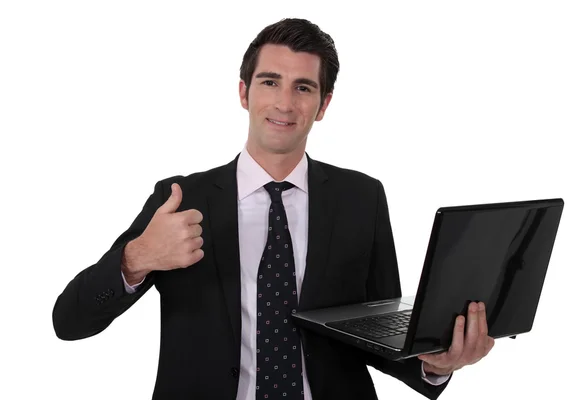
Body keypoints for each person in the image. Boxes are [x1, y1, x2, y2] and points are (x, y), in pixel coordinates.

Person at [52, 18, 494, 400]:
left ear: (323, 105)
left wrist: (436, 361)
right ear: (244, 93)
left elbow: (375, 335)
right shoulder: (181, 199)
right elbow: (69, 321)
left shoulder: (361, 197)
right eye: (269, 82)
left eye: (303, 87)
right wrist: (138, 258)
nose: (284, 103)